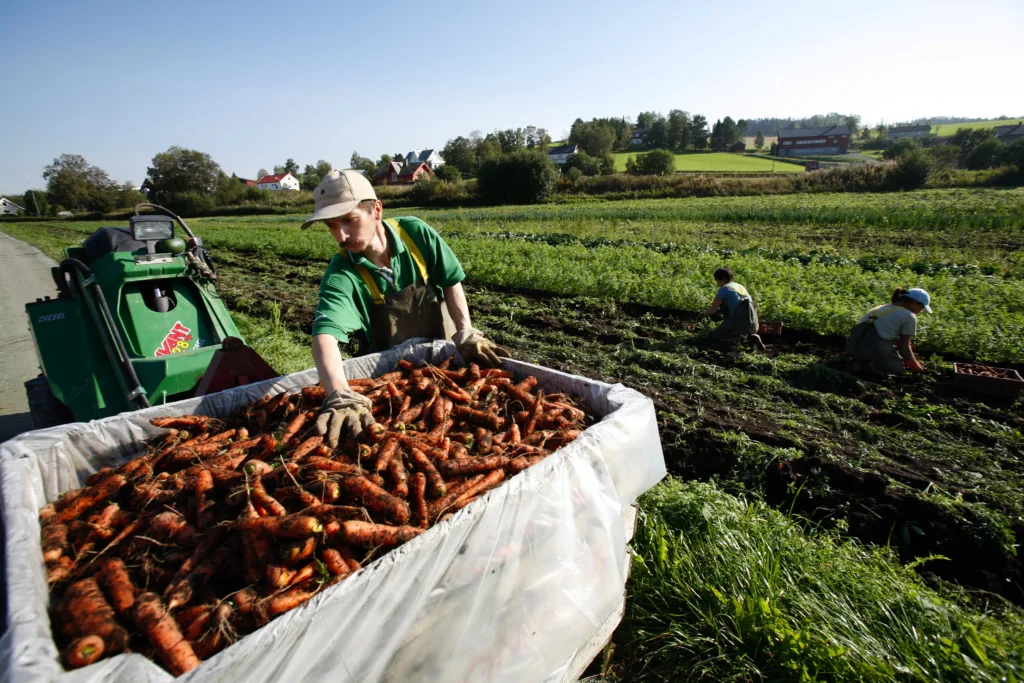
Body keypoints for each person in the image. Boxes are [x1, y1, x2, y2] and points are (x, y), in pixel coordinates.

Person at [302, 170, 507, 445]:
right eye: (330, 226)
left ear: (376, 210)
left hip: (442, 362)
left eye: (348, 220)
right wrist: (338, 393)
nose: (340, 236)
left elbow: (451, 281)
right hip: (393, 379)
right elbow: (324, 335)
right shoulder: (342, 272)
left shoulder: (414, 234)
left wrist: (465, 331)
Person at [845, 287, 931, 376]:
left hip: (852, 346)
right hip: (875, 348)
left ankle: (858, 363)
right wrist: (915, 365)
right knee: (897, 371)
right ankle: (871, 367)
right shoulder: (910, 316)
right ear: (914, 302)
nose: (919, 311)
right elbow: (904, 346)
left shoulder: (880, 307)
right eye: (920, 308)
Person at [698, 267, 765, 351]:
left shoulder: (724, 289)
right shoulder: (740, 287)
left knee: (712, 339)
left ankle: (736, 340)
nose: (717, 284)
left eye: (717, 281)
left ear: (721, 279)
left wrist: (703, 314)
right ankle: (751, 337)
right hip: (754, 323)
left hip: (739, 323)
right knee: (735, 332)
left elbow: (712, 311)